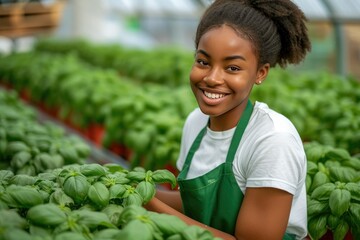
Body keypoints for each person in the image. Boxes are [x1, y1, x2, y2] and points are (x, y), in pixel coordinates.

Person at [145, 0, 311, 239]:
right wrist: (133, 189)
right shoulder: (196, 122)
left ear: (260, 73)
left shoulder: (273, 140)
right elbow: (198, 203)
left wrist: (150, 205)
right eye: (203, 62)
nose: (212, 78)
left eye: (232, 68)